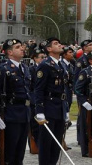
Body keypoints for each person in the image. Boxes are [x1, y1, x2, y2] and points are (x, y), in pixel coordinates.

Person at [0, 39, 31, 164]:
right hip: (11, 114)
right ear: (10, 52)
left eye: (22, 46)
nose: (22, 48)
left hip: (24, 114)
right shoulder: (3, 69)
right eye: (18, 47)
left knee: (20, 153)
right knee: (9, 153)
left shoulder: (24, 68)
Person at [34, 37, 69, 165]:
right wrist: (40, 110)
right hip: (48, 107)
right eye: (56, 44)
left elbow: (64, 89)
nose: (59, 45)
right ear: (49, 49)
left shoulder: (61, 65)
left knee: (57, 143)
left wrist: (66, 110)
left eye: (59, 43)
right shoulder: (45, 65)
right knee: (46, 143)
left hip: (60, 107)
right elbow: (38, 90)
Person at [75, 50, 92, 157]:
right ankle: (85, 150)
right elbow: (77, 89)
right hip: (88, 101)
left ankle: (91, 145)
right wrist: (84, 102)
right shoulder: (85, 72)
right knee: (86, 126)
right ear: (90, 61)